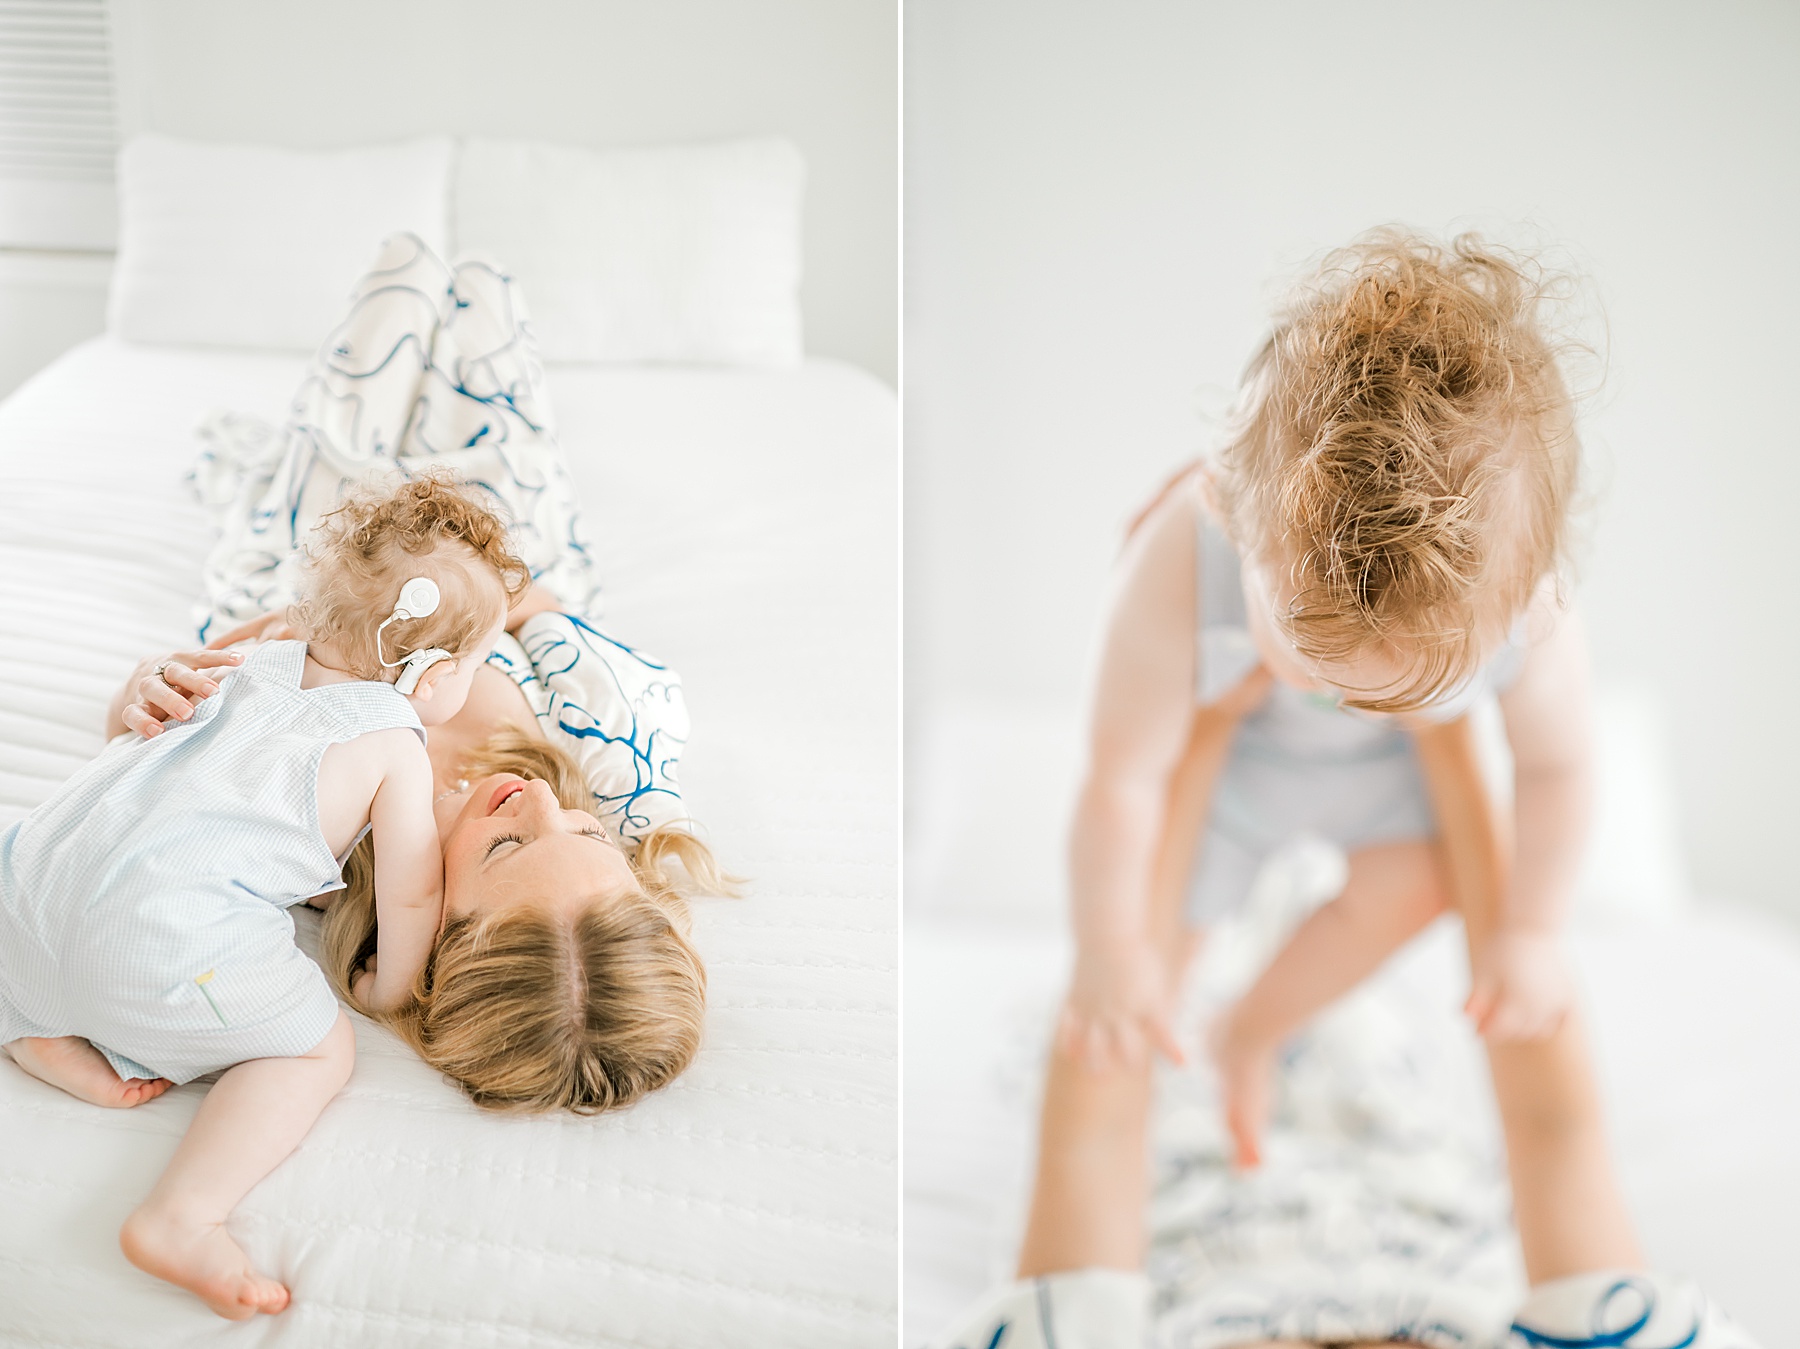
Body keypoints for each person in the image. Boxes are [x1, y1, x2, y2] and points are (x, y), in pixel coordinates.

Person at [931, 232, 1758, 1347]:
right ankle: (1187, 1015)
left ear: (1522, 597)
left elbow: (1559, 768)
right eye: (1318, 661)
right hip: (1236, 775)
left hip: (1389, 800)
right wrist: (1110, 949)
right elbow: (1121, 781)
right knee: (1129, 1002)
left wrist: (1532, 932)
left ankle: (1254, 1028)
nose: (1353, 700)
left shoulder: (1535, 611)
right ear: (1231, 511)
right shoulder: (1182, 559)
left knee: (1446, 883)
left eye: (1408, 682)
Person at [0, 474, 524, 1317]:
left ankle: (30, 1020)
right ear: (431, 676)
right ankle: (183, 1214)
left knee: (50, 885)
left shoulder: (242, 659)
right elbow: (415, 892)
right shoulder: (394, 740)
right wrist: (388, 990)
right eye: (481, 660)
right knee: (319, 1050)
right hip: (155, 942)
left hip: (25, 886)